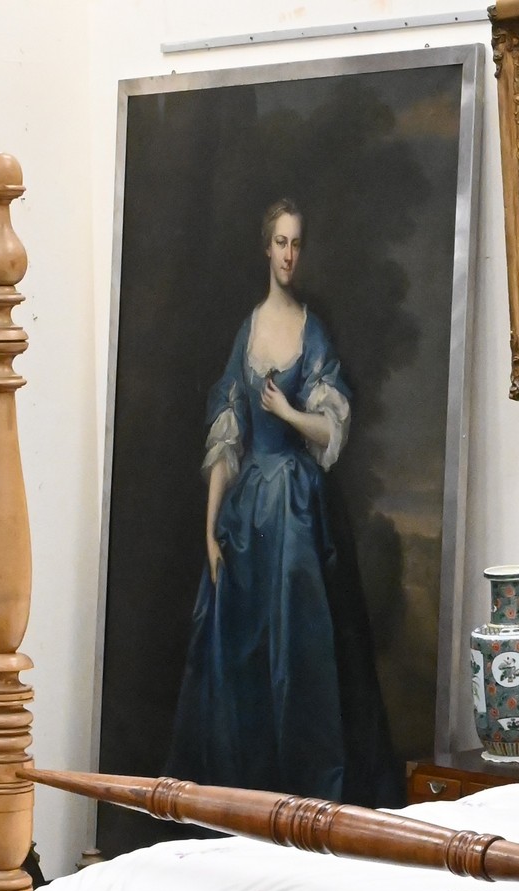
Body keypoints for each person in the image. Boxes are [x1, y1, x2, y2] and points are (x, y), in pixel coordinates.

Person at [167, 198, 397, 804]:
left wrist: (289, 412)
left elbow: (330, 429)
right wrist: (209, 530)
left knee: (301, 652)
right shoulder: (248, 330)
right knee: (243, 654)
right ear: (265, 248)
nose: (289, 254)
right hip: (248, 518)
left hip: (297, 512)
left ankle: (307, 796)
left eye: (297, 243)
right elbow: (227, 438)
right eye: (281, 242)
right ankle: (247, 797)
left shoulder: (311, 330)